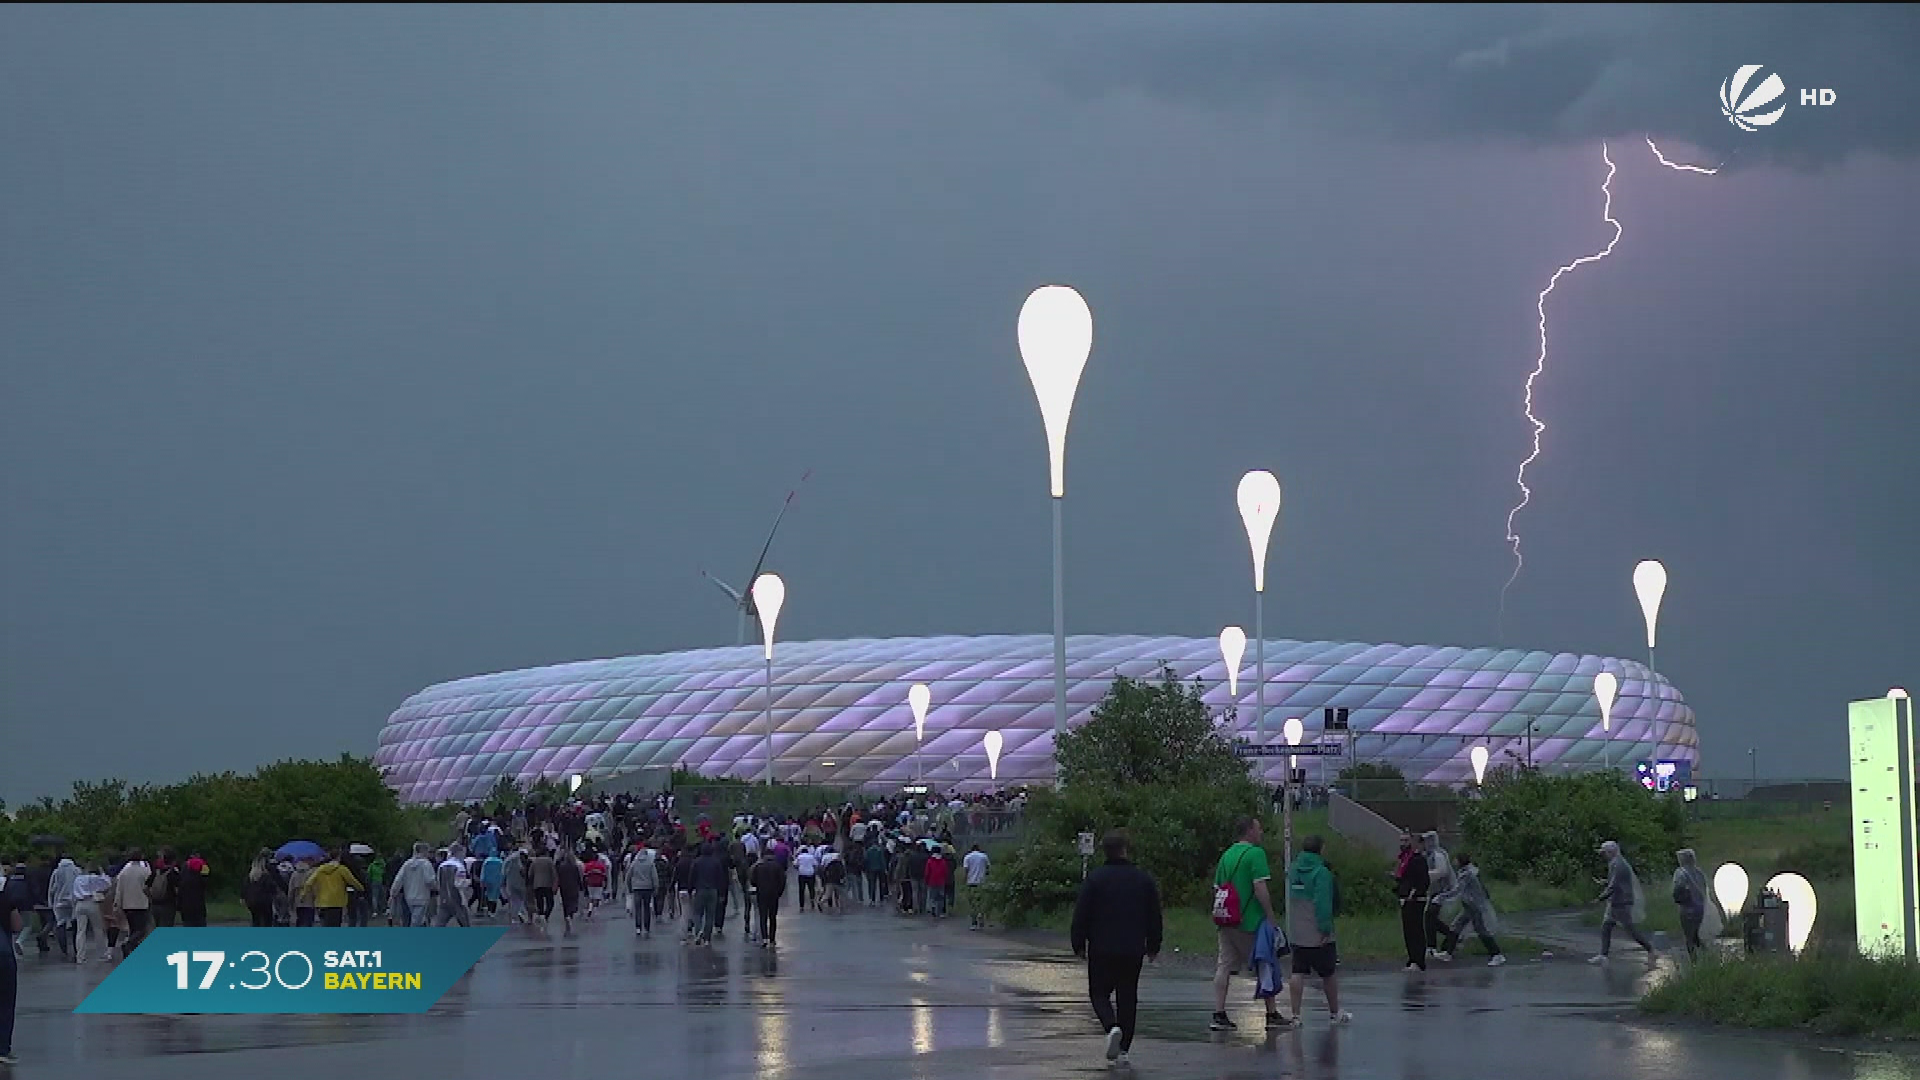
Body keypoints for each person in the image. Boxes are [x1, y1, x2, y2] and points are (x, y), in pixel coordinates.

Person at [1071, 831, 1162, 1066]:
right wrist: (1153, 945)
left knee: (1099, 993)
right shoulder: (1143, 879)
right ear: (1125, 849)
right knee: (1128, 997)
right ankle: (1124, 1050)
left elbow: (1081, 914)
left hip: (1101, 947)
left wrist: (1078, 944)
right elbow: (1154, 915)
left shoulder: (1095, 879)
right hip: (1132, 948)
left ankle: (1111, 1027)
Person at [1210, 816, 1286, 1031]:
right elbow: (1259, 887)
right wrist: (1270, 916)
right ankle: (1271, 1013)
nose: (1260, 833)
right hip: (1250, 921)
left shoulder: (1227, 855)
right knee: (1266, 962)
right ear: (1249, 831)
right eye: (1258, 829)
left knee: (1223, 965)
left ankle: (1219, 1012)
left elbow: (1217, 888)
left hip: (1226, 919)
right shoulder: (1255, 854)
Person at [1286, 835, 1353, 1025]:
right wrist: (1325, 928)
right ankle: (1334, 1013)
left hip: (1298, 930)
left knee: (1297, 971)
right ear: (1321, 850)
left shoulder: (1293, 870)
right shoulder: (1322, 873)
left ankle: (1296, 1015)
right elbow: (1323, 903)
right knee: (1328, 973)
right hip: (1317, 932)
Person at [1591, 840, 1656, 964]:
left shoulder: (1618, 864)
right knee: (1606, 927)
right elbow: (1616, 882)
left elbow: (1614, 885)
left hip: (1621, 902)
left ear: (1611, 852)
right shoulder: (1616, 863)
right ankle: (1603, 955)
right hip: (1617, 901)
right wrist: (1605, 882)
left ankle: (1650, 949)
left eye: (1604, 853)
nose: (1603, 856)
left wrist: (1600, 898)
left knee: (1630, 929)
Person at [1435, 852, 1505, 965]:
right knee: (1456, 925)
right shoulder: (1468, 871)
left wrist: (1442, 897)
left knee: (1481, 930)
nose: (1454, 861)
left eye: (1456, 859)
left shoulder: (1466, 874)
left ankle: (1497, 954)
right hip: (1469, 905)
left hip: (1474, 906)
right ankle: (1448, 953)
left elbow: (1458, 890)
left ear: (1460, 861)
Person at [1392, 832, 1430, 972]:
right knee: (1408, 930)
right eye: (1401, 840)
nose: (1403, 843)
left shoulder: (1417, 859)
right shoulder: (1403, 860)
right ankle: (1412, 958)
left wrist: (1413, 892)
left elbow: (1423, 880)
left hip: (1415, 899)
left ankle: (1419, 960)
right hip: (1405, 899)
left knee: (1416, 930)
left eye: (1406, 840)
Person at [1672, 848, 1719, 960]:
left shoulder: (1680, 872)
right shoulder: (1699, 872)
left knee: (1689, 937)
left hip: (1687, 908)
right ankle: (1709, 957)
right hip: (1700, 909)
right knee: (1697, 936)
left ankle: (1694, 961)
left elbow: (1677, 889)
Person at [304, 849, 362, 927]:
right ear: (339, 857)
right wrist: (361, 888)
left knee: (325, 924)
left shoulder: (321, 869)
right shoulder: (342, 869)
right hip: (337, 901)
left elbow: (309, 882)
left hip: (322, 901)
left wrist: (303, 894)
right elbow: (352, 881)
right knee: (336, 924)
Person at [1420, 832, 1453, 960]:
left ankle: (1435, 945)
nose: (1425, 844)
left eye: (1427, 841)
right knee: (1430, 918)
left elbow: (1442, 871)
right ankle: (1450, 935)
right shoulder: (1428, 855)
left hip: (1445, 890)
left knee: (1430, 916)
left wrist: (1426, 875)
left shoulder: (1438, 854)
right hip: (1435, 891)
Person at [71, 863, 112, 964]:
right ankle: (102, 954)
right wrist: (102, 872)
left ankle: (80, 956)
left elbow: (73, 894)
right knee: (98, 929)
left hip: (79, 904)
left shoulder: (77, 879)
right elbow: (107, 883)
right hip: (91, 902)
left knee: (80, 931)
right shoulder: (93, 878)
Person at [113, 849, 153, 954]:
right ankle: (128, 944)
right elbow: (149, 886)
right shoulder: (145, 871)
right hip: (141, 903)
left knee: (133, 928)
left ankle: (132, 950)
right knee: (141, 930)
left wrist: (118, 903)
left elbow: (119, 889)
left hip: (127, 904)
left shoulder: (124, 872)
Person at [389, 843, 437, 928]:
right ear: (423, 851)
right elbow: (430, 880)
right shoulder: (426, 864)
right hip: (422, 897)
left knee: (416, 919)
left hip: (409, 897)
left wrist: (393, 893)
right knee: (416, 921)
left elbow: (398, 879)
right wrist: (436, 888)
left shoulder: (407, 864)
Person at [749, 847, 786, 949]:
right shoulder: (778, 867)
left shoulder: (759, 867)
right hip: (774, 894)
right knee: (773, 917)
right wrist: (779, 892)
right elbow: (782, 881)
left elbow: (753, 881)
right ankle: (772, 939)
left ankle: (764, 938)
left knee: (763, 916)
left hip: (762, 894)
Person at [0, 866, 19, 1065]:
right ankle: (2, 1048)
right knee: (5, 1001)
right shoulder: (6, 897)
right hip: (3, 954)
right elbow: (17, 925)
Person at [626, 843, 660, 938]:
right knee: (646, 908)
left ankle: (638, 927)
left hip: (637, 888)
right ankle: (647, 927)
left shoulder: (634, 863)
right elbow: (654, 876)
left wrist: (629, 887)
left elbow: (628, 876)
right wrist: (656, 887)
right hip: (647, 888)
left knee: (638, 909)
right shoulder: (650, 863)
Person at [245, 850, 283, 928]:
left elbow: (245, 887)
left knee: (256, 920)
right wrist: (276, 893)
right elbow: (271, 886)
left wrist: (244, 897)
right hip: (264, 901)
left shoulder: (250, 876)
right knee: (267, 920)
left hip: (252, 901)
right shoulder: (266, 875)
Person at [146, 849, 180, 930]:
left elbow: (145, 888)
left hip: (155, 904)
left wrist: (150, 897)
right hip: (168, 904)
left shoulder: (155, 872)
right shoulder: (173, 873)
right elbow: (177, 889)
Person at [177, 854, 210, 928]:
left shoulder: (185, 876)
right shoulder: (201, 879)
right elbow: (206, 881)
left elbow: (180, 891)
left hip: (186, 908)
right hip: (199, 908)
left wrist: (179, 906)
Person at [528, 847, 559, 926]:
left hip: (537, 885)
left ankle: (541, 915)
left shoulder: (534, 862)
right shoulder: (549, 861)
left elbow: (530, 874)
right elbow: (554, 874)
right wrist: (555, 885)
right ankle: (546, 915)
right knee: (550, 902)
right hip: (548, 885)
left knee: (539, 902)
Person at [963, 844, 990, 930]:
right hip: (981, 882)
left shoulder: (967, 857)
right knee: (981, 902)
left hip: (971, 882)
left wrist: (965, 880)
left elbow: (966, 870)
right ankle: (981, 917)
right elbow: (988, 868)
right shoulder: (984, 856)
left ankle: (973, 923)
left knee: (972, 903)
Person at [556, 850, 584, 931]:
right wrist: (581, 886)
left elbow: (559, 877)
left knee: (565, 901)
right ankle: (570, 914)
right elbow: (578, 877)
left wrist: (558, 886)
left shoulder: (561, 867)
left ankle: (566, 916)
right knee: (573, 901)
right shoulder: (574, 867)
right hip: (573, 886)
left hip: (564, 887)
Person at [923, 846, 952, 918]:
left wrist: (926, 880)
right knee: (940, 897)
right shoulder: (943, 861)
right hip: (941, 881)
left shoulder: (930, 861)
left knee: (932, 896)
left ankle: (933, 907)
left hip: (932, 881)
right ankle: (940, 911)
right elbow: (945, 872)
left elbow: (927, 872)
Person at [794, 845, 818, 912]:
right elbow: (815, 864)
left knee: (801, 890)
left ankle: (801, 906)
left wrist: (798, 869)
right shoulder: (811, 856)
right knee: (811, 888)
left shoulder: (799, 857)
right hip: (810, 874)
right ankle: (812, 900)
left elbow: (795, 864)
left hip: (802, 874)